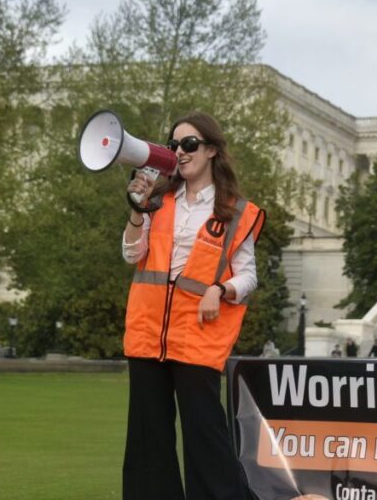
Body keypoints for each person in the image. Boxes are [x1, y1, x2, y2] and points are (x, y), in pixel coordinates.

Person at [120, 112, 265, 500]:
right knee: (148, 439)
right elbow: (132, 254)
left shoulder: (236, 211)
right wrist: (137, 211)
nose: (180, 152)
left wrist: (220, 289)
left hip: (198, 338)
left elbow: (248, 277)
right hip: (148, 331)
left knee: (206, 437)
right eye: (174, 145)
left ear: (212, 150)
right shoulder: (158, 200)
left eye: (189, 144)